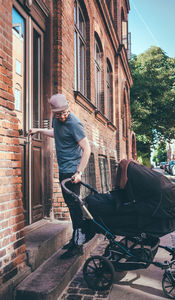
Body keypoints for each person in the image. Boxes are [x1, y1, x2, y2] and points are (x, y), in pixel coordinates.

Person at [28, 94, 91, 258]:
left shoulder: (74, 123)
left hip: (72, 173)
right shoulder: (57, 120)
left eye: (64, 113)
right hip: (64, 170)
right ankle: (75, 239)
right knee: (71, 207)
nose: (61, 116)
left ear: (68, 107)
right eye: (58, 114)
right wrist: (39, 130)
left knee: (75, 209)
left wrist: (79, 173)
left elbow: (87, 149)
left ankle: (78, 245)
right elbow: (57, 133)